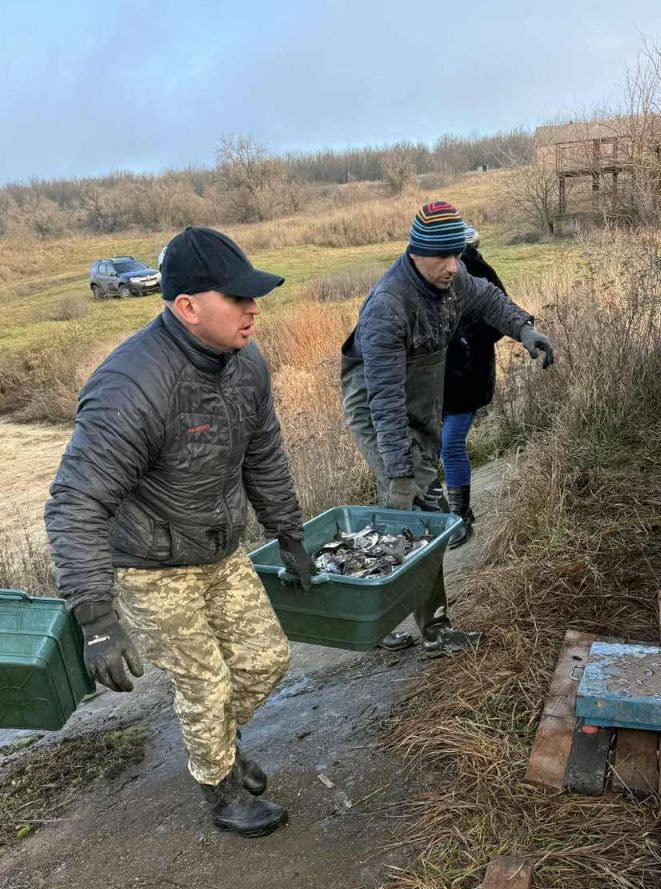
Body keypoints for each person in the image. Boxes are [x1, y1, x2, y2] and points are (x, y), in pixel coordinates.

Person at [45, 226, 316, 839]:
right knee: (205, 685)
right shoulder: (132, 385)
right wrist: (96, 619)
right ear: (188, 307)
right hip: (148, 564)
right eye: (237, 298)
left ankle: (218, 742)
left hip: (218, 549)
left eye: (253, 296)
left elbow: (263, 454)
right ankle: (219, 787)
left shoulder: (246, 364)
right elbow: (75, 503)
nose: (254, 308)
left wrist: (289, 533)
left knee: (266, 661)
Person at [341, 199, 554, 656]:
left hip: (421, 391)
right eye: (442, 256)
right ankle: (427, 628)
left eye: (457, 254)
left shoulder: (454, 280)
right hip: (379, 402)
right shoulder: (388, 306)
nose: (453, 266)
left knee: (409, 509)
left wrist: (524, 330)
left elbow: (489, 298)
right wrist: (400, 472)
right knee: (421, 506)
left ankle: (382, 617)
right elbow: (385, 401)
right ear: (416, 252)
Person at [441, 224, 506, 550]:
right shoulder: (427, 275)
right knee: (435, 447)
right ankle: (443, 515)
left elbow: (499, 319)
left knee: (450, 444)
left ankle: (459, 516)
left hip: (468, 376)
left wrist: (465, 336)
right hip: (437, 381)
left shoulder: (478, 271)